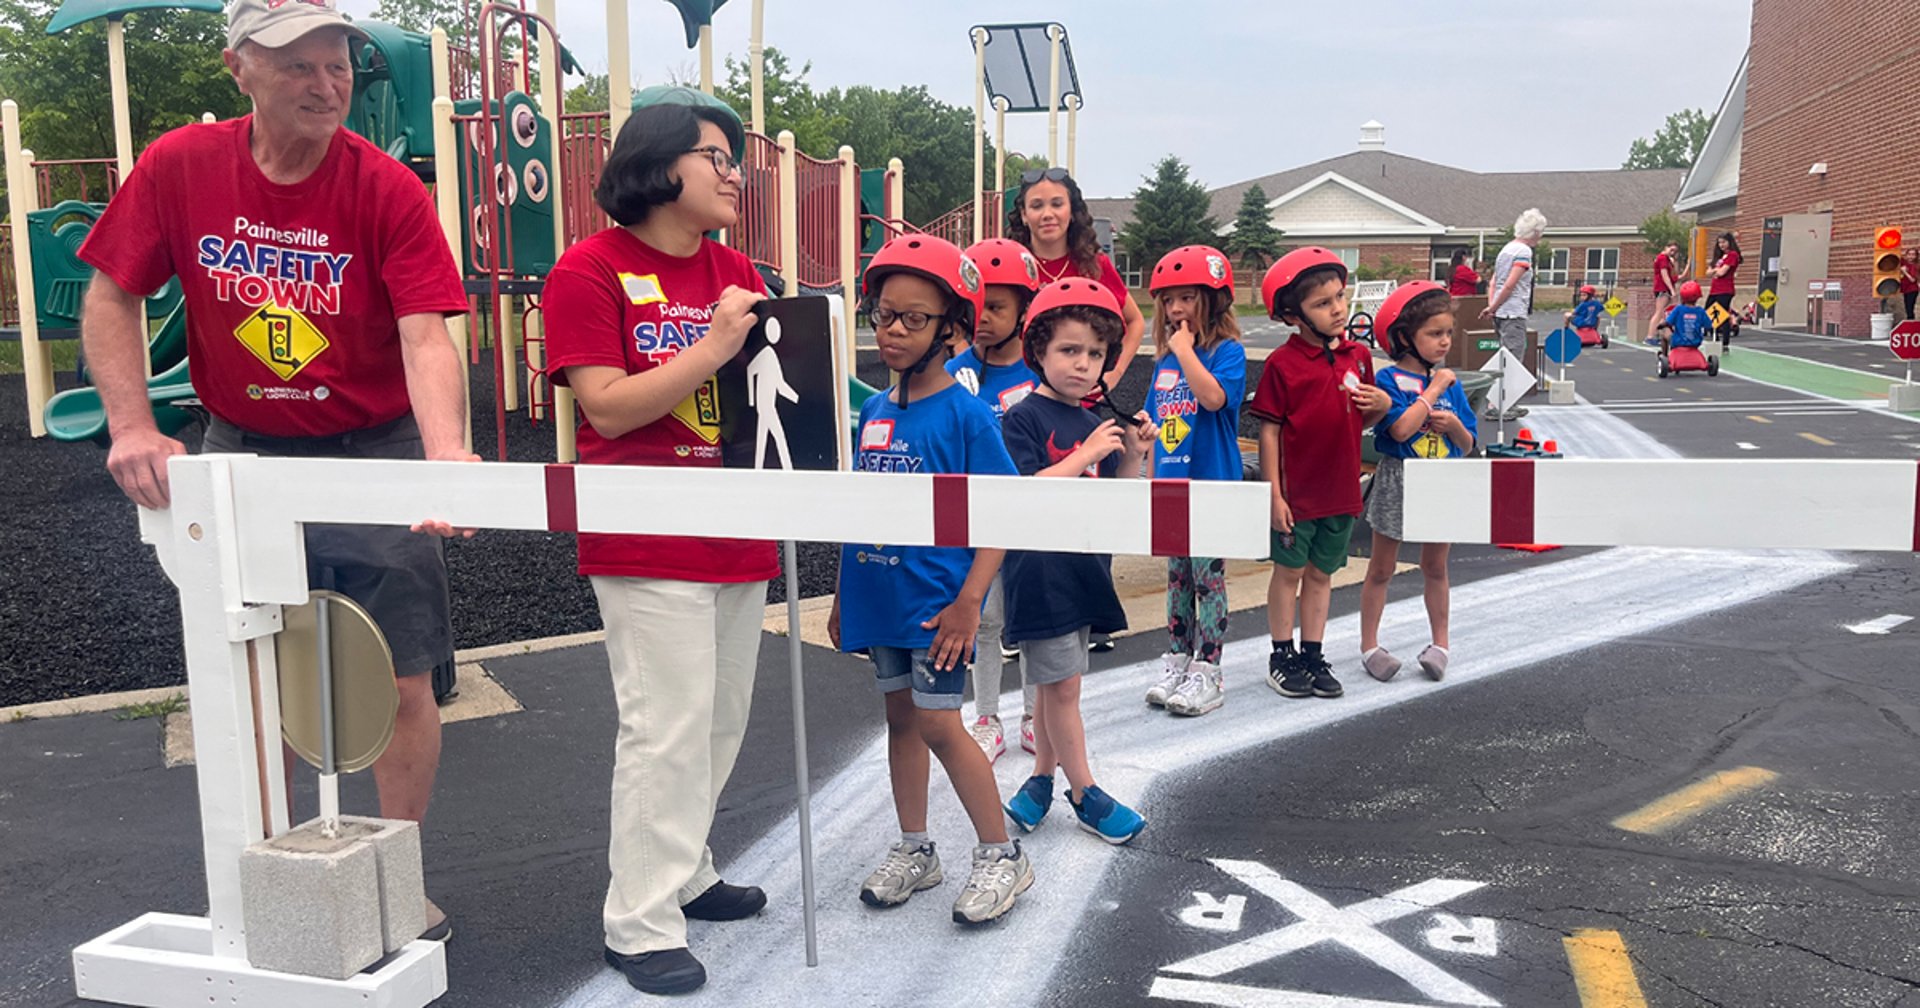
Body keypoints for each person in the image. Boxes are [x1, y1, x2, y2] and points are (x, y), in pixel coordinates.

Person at [77, 0, 471, 944]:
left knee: (403, 678)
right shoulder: (181, 165)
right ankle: (267, 876)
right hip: (242, 454)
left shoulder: (385, 187)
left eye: (339, 66)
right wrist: (131, 426)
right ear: (239, 68)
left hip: (371, 453)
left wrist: (446, 458)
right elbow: (113, 292)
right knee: (249, 676)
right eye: (298, 65)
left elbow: (425, 334)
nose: (326, 85)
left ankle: (395, 875)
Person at [542, 89, 773, 995]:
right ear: (657, 163)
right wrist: (711, 349)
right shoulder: (589, 270)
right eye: (716, 156)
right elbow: (603, 405)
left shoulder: (737, 268)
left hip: (737, 531)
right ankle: (639, 921)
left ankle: (686, 871)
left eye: (735, 160)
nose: (733, 174)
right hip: (647, 535)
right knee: (664, 729)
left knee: (718, 722)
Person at [827, 235, 1034, 926]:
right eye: (884, 315)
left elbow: (1001, 513)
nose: (892, 330)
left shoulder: (966, 415)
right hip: (879, 597)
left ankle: (1002, 854)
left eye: (914, 318)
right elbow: (862, 509)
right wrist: (843, 592)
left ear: (950, 328)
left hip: (937, 606)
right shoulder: (874, 412)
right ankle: (917, 847)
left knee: (942, 724)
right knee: (901, 721)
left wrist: (970, 602)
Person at [998, 277, 1154, 844]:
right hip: (1041, 574)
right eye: (1069, 350)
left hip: (1084, 569)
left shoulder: (1093, 422)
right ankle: (1085, 792)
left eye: (1095, 353)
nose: (1083, 364)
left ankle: (1040, 781)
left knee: (1055, 686)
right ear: (1038, 351)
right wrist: (1086, 453)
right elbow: (1023, 491)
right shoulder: (1022, 417)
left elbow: (1116, 501)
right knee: (1062, 688)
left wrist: (1133, 454)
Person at [1006, 166, 1140, 656]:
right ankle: (1025, 616)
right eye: (1036, 204)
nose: (1047, 213)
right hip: (1025, 391)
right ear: (1023, 214)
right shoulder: (1014, 262)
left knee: (1089, 497)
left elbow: (1132, 321)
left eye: (1057, 203)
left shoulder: (1092, 263)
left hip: (1076, 402)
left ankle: (1084, 609)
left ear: (1073, 210)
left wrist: (1110, 374)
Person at [1251, 247, 1390, 701]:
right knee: (1289, 572)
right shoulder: (1282, 365)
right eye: (1323, 303)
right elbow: (1269, 432)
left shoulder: (1358, 356)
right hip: (1298, 495)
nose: (1337, 309)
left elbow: (1360, 418)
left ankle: (1312, 653)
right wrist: (1274, 495)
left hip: (1341, 491)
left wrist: (1383, 406)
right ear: (1293, 316)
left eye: (1340, 297)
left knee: (1321, 575)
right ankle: (1281, 654)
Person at [1139, 245, 1246, 717]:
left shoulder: (1227, 353)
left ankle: (1209, 668)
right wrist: (1148, 453)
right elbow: (1157, 418)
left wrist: (1184, 351)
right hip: (1172, 483)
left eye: (1187, 298)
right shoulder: (1164, 363)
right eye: (1168, 300)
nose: (1176, 309)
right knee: (1178, 577)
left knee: (1207, 578)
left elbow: (1214, 398)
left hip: (1211, 482)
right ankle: (1178, 658)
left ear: (1213, 301)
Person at [951, 237, 1043, 762]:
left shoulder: (1040, 371)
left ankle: (1033, 715)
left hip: (1029, 518)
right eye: (977, 306)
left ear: (1024, 310)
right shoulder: (954, 372)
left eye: (997, 307)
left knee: (1028, 620)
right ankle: (986, 716)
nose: (983, 318)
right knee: (985, 620)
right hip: (977, 519)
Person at [1358, 282, 1477, 685]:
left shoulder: (1452, 384)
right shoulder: (1389, 379)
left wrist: (1455, 424)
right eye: (1434, 333)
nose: (1445, 341)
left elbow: (1468, 444)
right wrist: (1433, 391)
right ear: (1405, 337)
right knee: (1382, 567)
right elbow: (1400, 429)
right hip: (1399, 478)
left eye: (1448, 333)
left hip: (1440, 479)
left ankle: (1440, 644)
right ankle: (1370, 645)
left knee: (1435, 566)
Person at [1477, 208, 1548, 420]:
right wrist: (1494, 307)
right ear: (1535, 232)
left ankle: (1502, 403)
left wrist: (1492, 306)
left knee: (1504, 357)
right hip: (1513, 312)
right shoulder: (1523, 252)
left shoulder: (1506, 250)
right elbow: (1510, 285)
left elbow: (1494, 282)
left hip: (1501, 312)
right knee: (1512, 361)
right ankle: (1498, 406)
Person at [1705, 232, 1742, 352]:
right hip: (1714, 289)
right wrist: (1716, 269)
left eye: (1724, 242)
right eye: (1719, 242)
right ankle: (1715, 335)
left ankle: (1725, 342)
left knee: (1722, 314)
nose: (1721, 245)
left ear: (1729, 242)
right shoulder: (1719, 257)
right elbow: (1707, 272)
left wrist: (1716, 270)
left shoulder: (1732, 255)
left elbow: (1722, 273)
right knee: (1709, 311)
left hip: (1725, 290)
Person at [1655, 280, 1712, 352]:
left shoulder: (1678, 309)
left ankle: (1664, 355)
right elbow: (1708, 325)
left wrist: (1660, 325)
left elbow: (1668, 322)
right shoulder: (1700, 311)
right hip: (1695, 343)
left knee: (1664, 333)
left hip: (1678, 342)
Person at [1646, 241, 1681, 345]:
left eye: (1675, 251)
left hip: (1664, 288)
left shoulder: (1667, 260)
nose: (1672, 252)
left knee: (1663, 313)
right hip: (1662, 289)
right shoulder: (1662, 258)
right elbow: (1664, 275)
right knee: (1659, 312)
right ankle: (1650, 336)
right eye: (1671, 250)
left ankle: (1660, 335)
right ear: (1666, 247)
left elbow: (1674, 275)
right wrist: (1672, 290)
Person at [1901, 249, 1919, 322]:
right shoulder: (1904, 263)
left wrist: (1905, 272)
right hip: (1905, 289)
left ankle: (1911, 322)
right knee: (1906, 307)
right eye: (1909, 254)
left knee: (1909, 308)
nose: (1911, 256)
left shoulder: (1916, 266)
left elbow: (1913, 280)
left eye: (1913, 254)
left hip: (1912, 290)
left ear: (1916, 256)